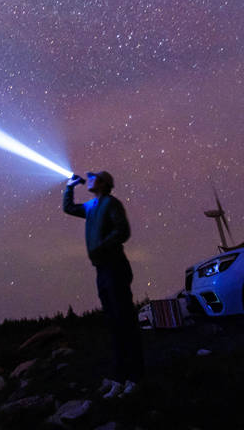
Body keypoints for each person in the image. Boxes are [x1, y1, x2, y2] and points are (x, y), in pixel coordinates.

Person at [63, 170, 144, 398]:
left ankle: (135, 377)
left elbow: (123, 231)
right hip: (102, 269)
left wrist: (103, 246)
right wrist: (69, 187)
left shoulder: (112, 204)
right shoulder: (91, 207)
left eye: (94, 177)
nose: (89, 179)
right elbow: (69, 208)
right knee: (113, 323)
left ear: (104, 183)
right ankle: (119, 377)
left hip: (114, 266)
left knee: (124, 321)